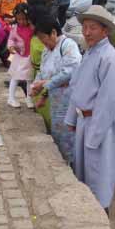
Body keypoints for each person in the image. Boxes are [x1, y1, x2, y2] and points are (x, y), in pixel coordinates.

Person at [64, 6, 115, 212]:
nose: (87, 32)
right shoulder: (90, 52)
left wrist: (94, 135)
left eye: (92, 28)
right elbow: (77, 86)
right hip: (84, 120)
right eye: (84, 27)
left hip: (99, 123)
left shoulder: (108, 58)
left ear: (105, 31)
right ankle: (88, 205)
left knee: (98, 169)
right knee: (83, 168)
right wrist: (72, 119)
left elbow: (108, 102)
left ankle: (102, 209)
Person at [31, 18, 82, 164]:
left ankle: (73, 166)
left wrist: (45, 84)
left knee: (69, 134)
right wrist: (37, 88)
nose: (43, 43)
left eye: (44, 38)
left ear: (53, 33)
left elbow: (70, 71)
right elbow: (42, 72)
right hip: (56, 101)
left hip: (69, 98)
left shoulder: (68, 45)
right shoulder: (47, 51)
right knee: (58, 134)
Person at [7, 7, 35, 108]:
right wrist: (11, 46)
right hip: (19, 56)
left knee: (30, 79)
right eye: (19, 19)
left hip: (30, 56)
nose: (22, 21)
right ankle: (11, 98)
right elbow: (11, 39)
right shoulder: (15, 28)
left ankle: (29, 98)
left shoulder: (32, 28)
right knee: (15, 77)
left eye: (24, 19)